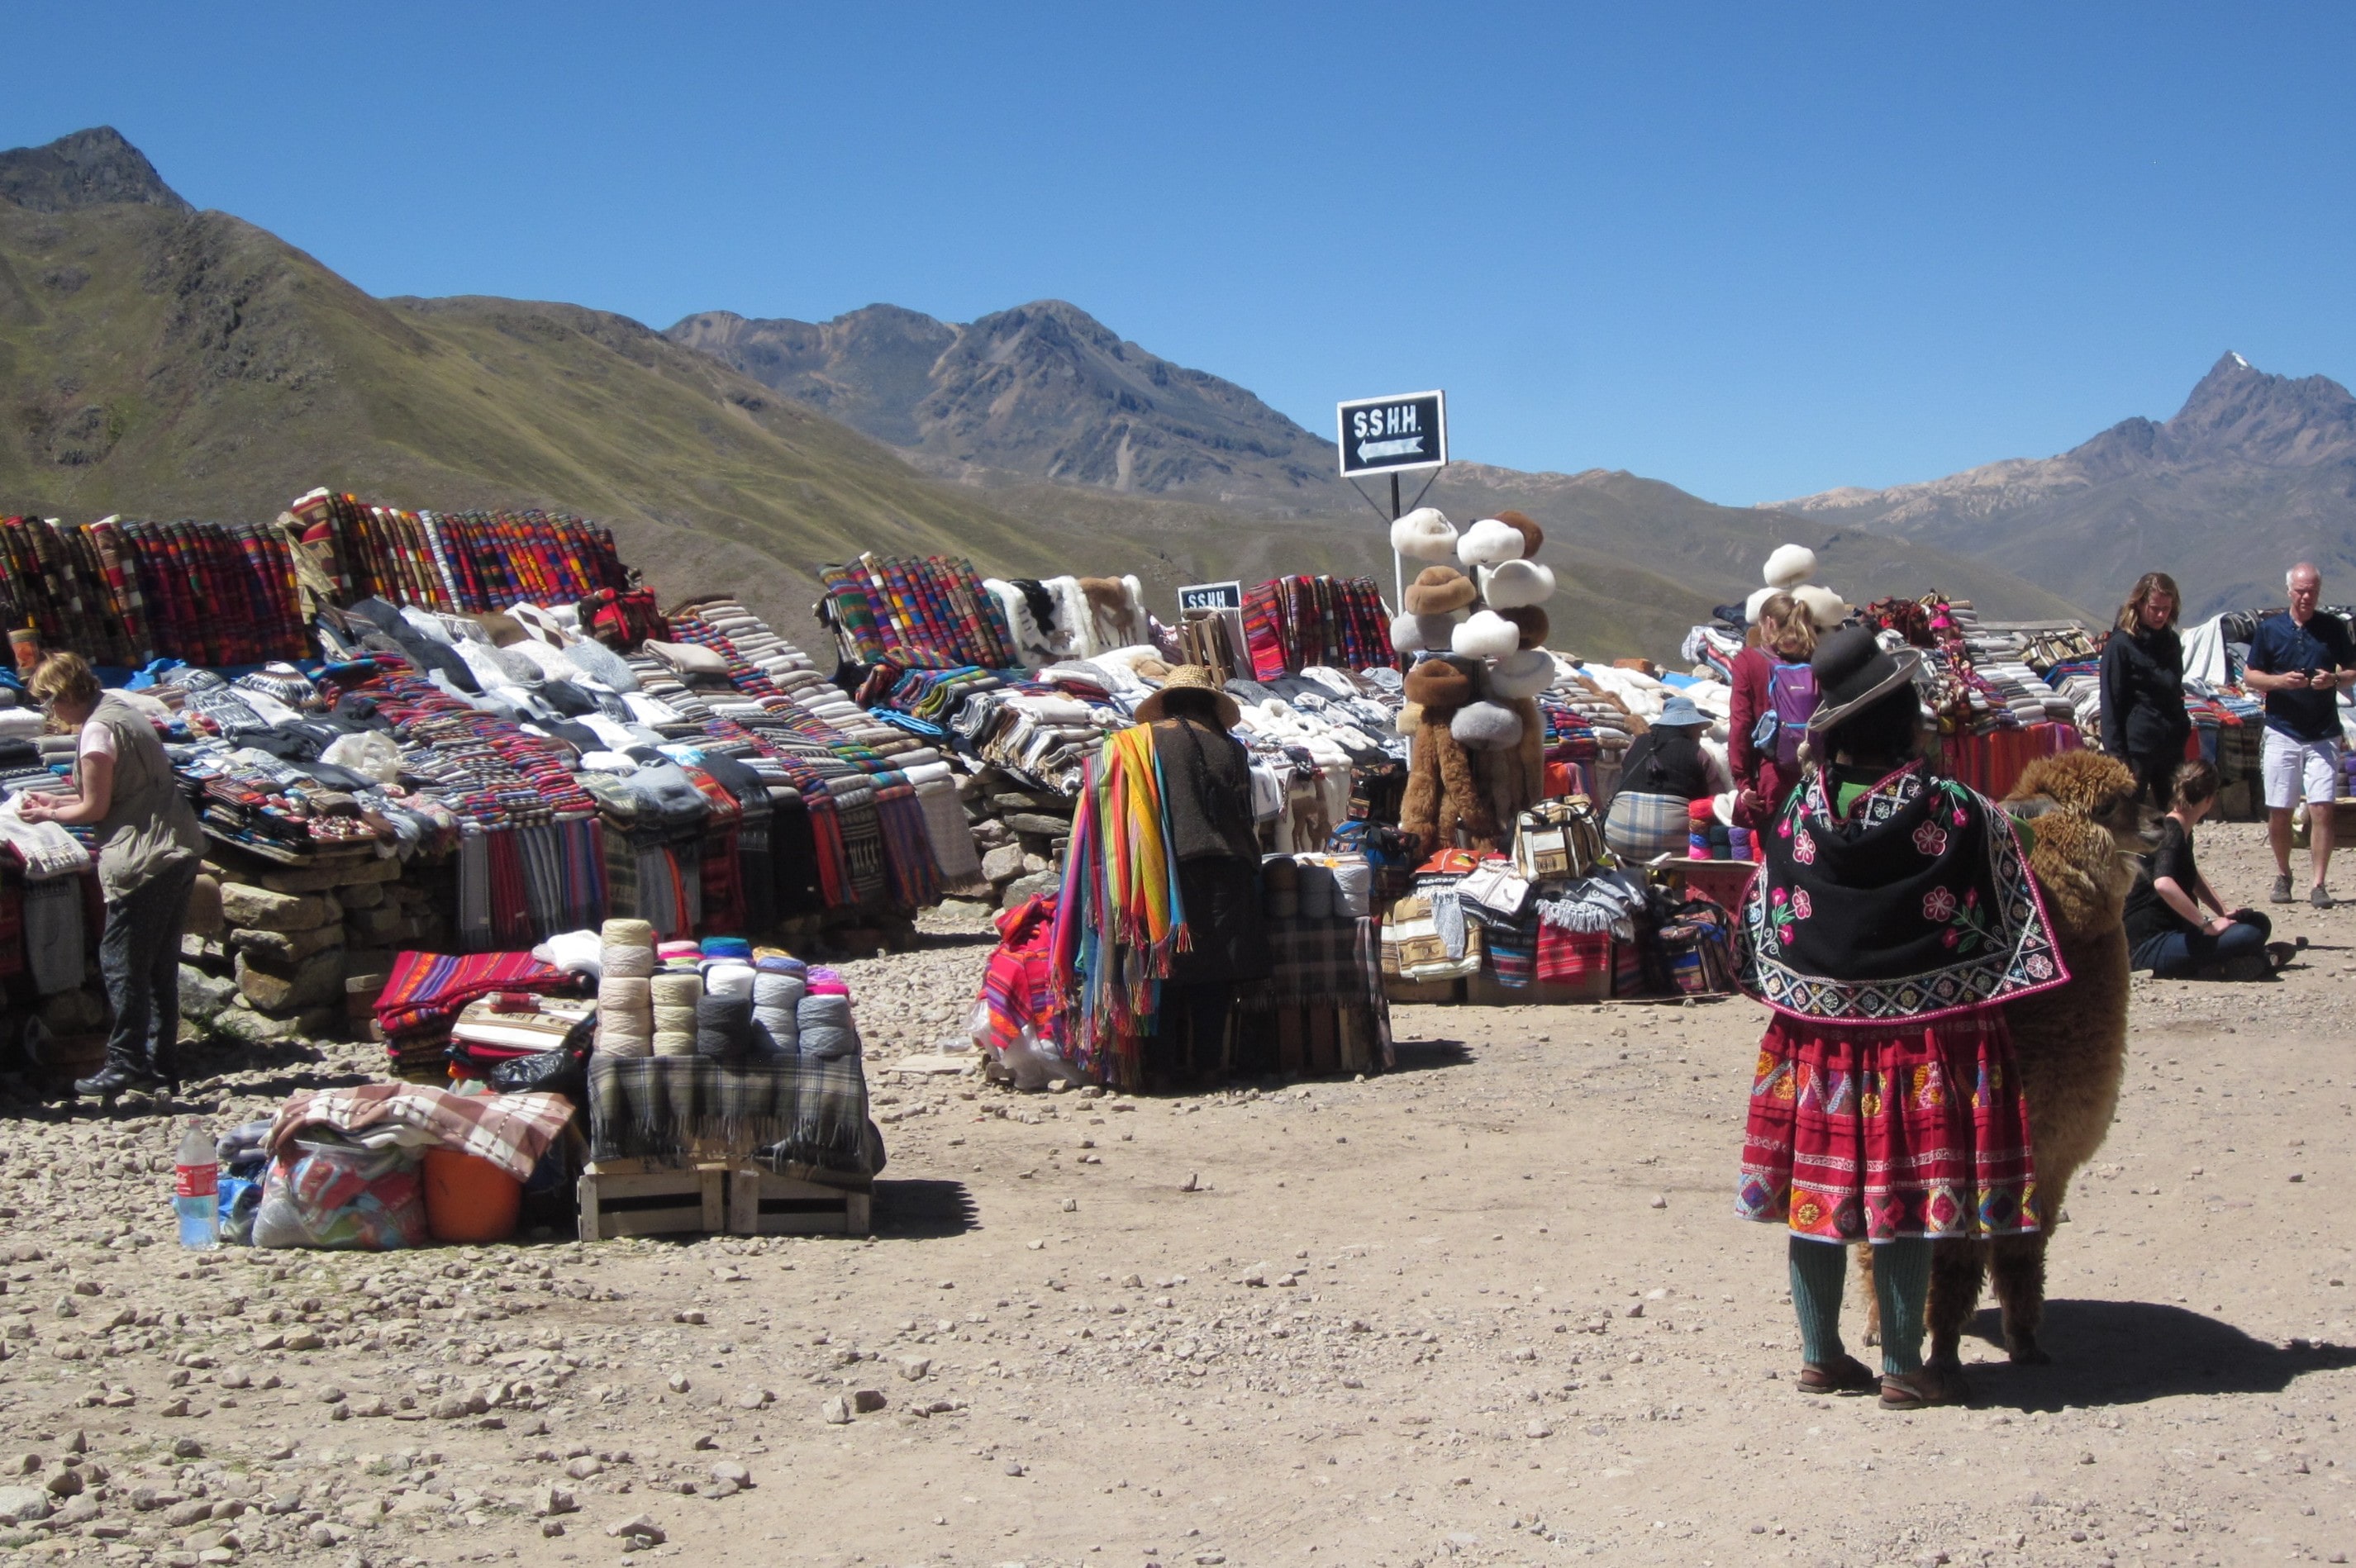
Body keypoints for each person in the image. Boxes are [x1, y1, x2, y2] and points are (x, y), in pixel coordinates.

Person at [1734, 627, 2059, 1409]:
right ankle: (1904, 1365)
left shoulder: (1796, 814)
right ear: (1902, 718)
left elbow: (1767, 916)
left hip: (1813, 1038)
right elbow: (2008, 903)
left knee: (1820, 1191)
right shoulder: (1953, 813)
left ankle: (1821, 1353)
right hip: (1922, 1041)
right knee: (1903, 1194)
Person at [17, 653, 206, 1097]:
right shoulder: (123, 710)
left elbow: (95, 809)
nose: (50, 714)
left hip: (142, 855)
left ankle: (127, 1062)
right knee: (158, 964)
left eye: (49, 703)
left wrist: (48, 814)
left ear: (64, 695)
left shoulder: (97, 731)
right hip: (178, 843)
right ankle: (162, 1066)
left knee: (121, 962)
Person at [1133, 666, 1268, 1081]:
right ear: (1211, 706)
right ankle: (1209, 1062)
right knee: (1216, 972)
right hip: (1231, 867)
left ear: (1167, 705)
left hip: (1172, 867)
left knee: (1168, 965)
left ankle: (1160, 1066)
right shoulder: (1233, 748)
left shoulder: (1146, 743)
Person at [2123, 759, 2298, 980]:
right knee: (2248, 934)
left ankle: (2238, 961)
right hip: (2149, 945)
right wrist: (2206, 924)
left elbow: (2191, 874)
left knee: (2257, 921)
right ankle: (2245, 962)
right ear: (2209, 799)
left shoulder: (2182, 827)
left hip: (2178, 932)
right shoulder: (2172, 831)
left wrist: (2223, 912)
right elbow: (2164, 883)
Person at [2244, 563, 2355, 908]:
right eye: (2301, 591)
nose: (2306, 597)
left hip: (2323, 731)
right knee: (2280, 808)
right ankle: (2283, 873)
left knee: (2323, 807)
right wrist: (2280, 682)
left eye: (2312, 592)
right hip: (2282, 730)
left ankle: (2319, 882)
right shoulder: (2269, 630)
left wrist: (2334, 680)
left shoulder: (2332, 628)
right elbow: (2251, 676)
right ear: (2289, 591)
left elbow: (2352, 671)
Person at [2099, 571, 2189, 810]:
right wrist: (2116, 757)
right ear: (2139, 603)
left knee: (2178, 814)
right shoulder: (2120, 646)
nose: (2161, 615)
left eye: (2166, 609)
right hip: (2136, 748)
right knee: (2129, 819)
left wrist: (2182, 727)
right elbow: (2111, 703)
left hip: (2170, 744)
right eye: (2155, 608)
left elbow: (2175, 691)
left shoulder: (2171, 642)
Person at [1728, 592, 1820, 821]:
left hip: (1772, 775)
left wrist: (1743, 780)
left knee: (1775, 851)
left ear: (1768, 623)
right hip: (1817, 774)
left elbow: (1741, 723)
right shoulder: (1818, 660)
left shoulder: (1750, 660)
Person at [1604, 695, 1723, 861]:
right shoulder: (1699, 753)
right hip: (1673, 845)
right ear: (1690, 727)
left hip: (1618, 838)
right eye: (1699, 728)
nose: (1701, 733)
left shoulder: (1636, 743)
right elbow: (1717, 802)